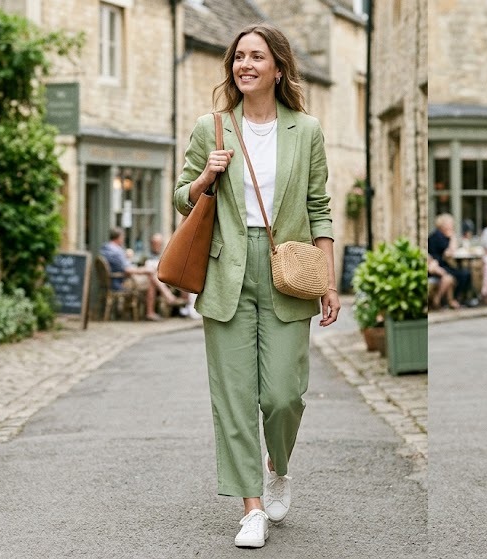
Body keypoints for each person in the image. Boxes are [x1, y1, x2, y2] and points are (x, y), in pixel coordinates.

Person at [173, 23, 339, 548]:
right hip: (226, 268)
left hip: (287, 269)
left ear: (278, 68)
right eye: (238, 57)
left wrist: (328, 280)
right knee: (234, 395)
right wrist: (205, 179)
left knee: (284, 395)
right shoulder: (212, 128)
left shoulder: (305, 130)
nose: (245, 65)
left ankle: (278, 465)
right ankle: (251, 507)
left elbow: (319, 207)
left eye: (256, 57)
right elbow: (183, 195)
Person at [100, 227, 176, 321]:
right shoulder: (115, 251)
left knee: (150, 275)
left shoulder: (106, 248)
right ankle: (154, 308)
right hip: (120, 282)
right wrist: (144, 270)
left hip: (116, 280)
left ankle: (161, 302)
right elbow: (127, 270)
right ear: (119, 237)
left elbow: (122, 266)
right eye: (123, 237)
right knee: (151, 277)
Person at [427, 213, 474, 306]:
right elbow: (449, 253)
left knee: (464, 273)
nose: (452, 225)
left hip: (442, 265)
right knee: (464, 274)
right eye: (450, 223)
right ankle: (457, 299)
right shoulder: (438, 237)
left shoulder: (443, 236)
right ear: (443, 225)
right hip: (437, 267)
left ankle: (460, 298)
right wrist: (453, 236)